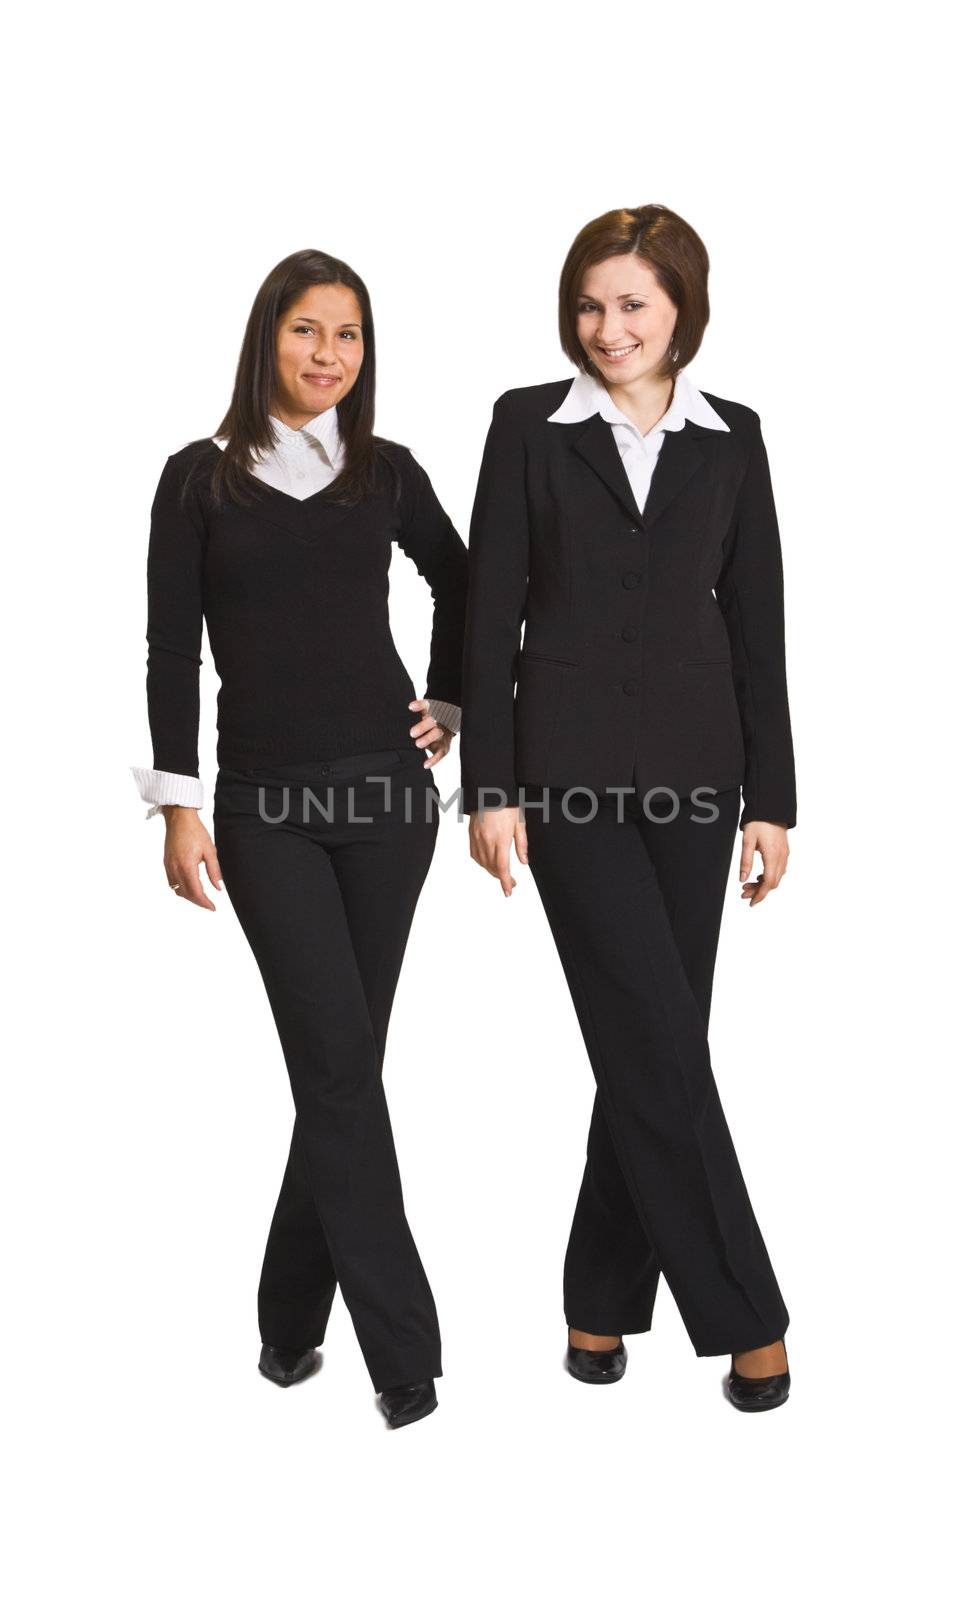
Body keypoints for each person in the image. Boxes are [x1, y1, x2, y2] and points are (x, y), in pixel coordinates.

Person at [460, 204, 795, 1412]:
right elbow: (489, 607)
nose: (609, 328)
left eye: (634, 306)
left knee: (652, 1046)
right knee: (655, 1040)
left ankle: (597, 1308)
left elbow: (758, 629)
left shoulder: (733, 437)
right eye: (592, 305)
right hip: (566, 780)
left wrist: (774, 799)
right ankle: (750, 1316)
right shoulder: (529, 427)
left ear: (681, 311)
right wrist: (487, 784)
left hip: (702, 785)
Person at [131, 248, 467, 1429]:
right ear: (265, 337)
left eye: (351, 337)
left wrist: (457, 694)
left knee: (341, 1071)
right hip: (264, 807)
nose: (329, 356)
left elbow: (467, 580)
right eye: (307, 332)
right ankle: (407, 1358)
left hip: (387, 803)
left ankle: (287, 1323)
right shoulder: (198, 480)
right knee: (336, 1063)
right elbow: (174, 649)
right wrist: (178, 802)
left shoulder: (386, 473)